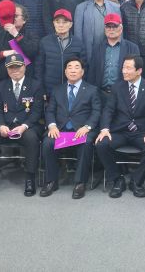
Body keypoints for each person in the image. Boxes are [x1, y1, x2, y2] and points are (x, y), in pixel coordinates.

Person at [96, 56, 145, 198]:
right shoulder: (117, 87)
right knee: (101, 144)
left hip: (141, 132)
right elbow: (108, 110)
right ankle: (117, 179)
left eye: (128, 68)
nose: (124, 71)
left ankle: (136, 181)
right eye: (123, 67)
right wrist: (105, 129)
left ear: (139, 71)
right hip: (120, 131)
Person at [0, 54, 45, 198]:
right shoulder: (0, 86)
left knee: (32, 139)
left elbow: (37, 111)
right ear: (7, 69)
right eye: (11, 68)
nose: (15, 70)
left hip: (27, 126)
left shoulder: (36, 85)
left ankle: (30, 178)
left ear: (24, 67)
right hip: (6, 126)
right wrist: (1, 126)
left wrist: (24, 126)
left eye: (18, 67)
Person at [41, 57, 101, 198]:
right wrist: (52, 126)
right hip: (60, 130)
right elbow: (50, 111)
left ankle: (80, 183)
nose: (73, 70)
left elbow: (97, 111)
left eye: (76, 67)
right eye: (69, 67)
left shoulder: (92, 90)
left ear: (82, 72)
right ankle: (51, 181)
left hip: (81, 130)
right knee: (48, 142)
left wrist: (87, 127)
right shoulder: (57, 90)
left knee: (86, 143)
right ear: (65, 71)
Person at [85, 14, 140, 97]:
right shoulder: (97, 48)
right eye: (108, 26)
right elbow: (92, 73)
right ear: (105, 29)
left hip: (123, 94)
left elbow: (136, 74)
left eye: (114, 26)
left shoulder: (132, 48)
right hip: (100, 94)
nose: (111, 29)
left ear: (121, 28)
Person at [73, 0, 120, 64]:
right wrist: (80, 55)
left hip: (110, 50)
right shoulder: (81, 8)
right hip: (88, 52)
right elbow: (78, 34)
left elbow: (120, 32)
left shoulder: (116, 7)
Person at [36, 9, 84, 89]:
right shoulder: (45, 42)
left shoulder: (78, 43)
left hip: (71, 88)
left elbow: (84, 67)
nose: (61, 25)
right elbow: (39, 68)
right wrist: (41, 89)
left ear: (71, 24)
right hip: (50, 89)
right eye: (57, 22)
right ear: (53, 23)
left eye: (64, 22)